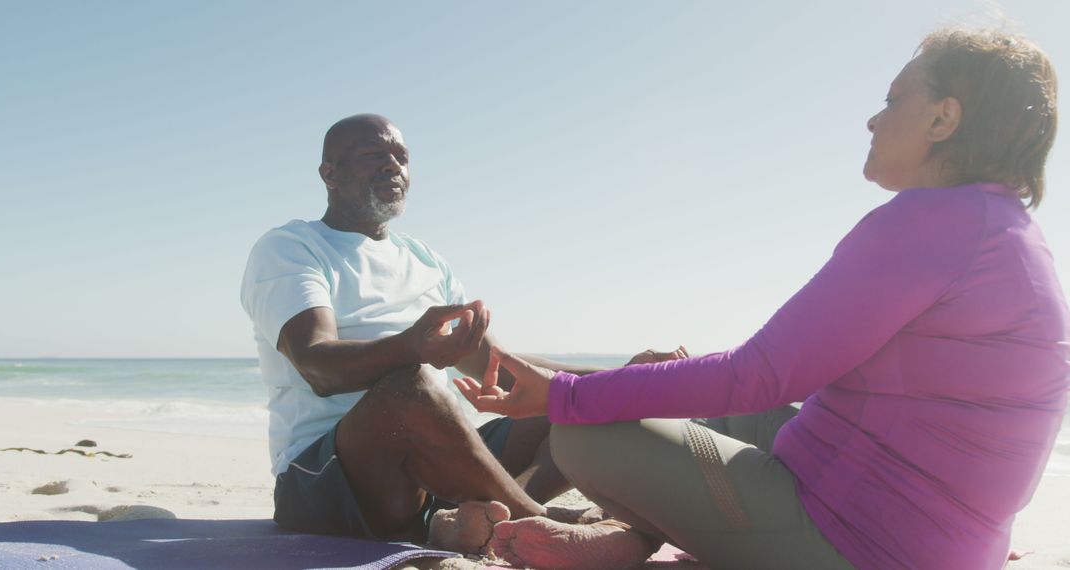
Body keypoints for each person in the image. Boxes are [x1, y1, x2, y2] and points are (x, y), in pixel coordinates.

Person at [456, 27, 1067, 569]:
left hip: (870, 545)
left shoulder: (931, 222)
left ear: (944, 120)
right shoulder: (1005, 232)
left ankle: (638, 534)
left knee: (584, 434)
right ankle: (630, 538)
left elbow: (761, 373)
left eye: (892, 100)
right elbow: (795, 374)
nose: (874, 120)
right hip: (947, 539)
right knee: (694, 405)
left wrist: (560, 394)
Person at [240, 114, 640, 549]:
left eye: (402, 157)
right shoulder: (292, 247)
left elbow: (500, 367)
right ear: (329, 174)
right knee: (409, 385)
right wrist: (411, 347)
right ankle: (537, 525)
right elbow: (316, 365)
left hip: (439, 475)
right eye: (374, 155)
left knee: (567, 400)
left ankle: (482, 519)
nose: (393, 167)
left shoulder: (424, 258)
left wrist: (623, 379)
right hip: (327, 478)